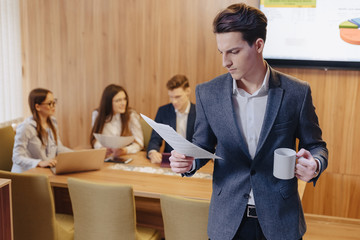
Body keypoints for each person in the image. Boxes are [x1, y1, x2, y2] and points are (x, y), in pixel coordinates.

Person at [169, 3, 328, 240]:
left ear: (258, 45)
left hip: (280, 221)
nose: (225, 61)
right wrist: (188, 161)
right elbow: (202, 145)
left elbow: (317, 146)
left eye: (233, 51)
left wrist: (315, 163)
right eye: (221, 52)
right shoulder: (208, 93)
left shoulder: (297, 92)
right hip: (227, 222)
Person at [12, 88, 72, 173]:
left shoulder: (53, 122)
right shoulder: (26, 127)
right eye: (49, 103)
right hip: (27, 173)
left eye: (54, 102)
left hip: (45, 171)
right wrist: (39, 163)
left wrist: (76, 155)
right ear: (37, 107)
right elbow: (17, 157)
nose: (53, 106)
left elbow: (58, 147)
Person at [147, 74, 196, 163]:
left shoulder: (200, 113)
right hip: (170, 162)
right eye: (171, 97)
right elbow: (155, 139)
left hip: (194, 162)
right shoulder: (163, 111)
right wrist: (153, 152)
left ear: (188, 91)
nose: (174, 102)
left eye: (178, 97)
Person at [90, 84, 143, 157]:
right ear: (108, 102)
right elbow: (95, 140)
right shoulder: (97, 114)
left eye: (124, 99)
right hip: (104, 156)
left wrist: (125, 150)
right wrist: (101, 148)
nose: (123, 103)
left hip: (125, 156)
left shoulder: (131, 115)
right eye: (118, 100)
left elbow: (139, 143)